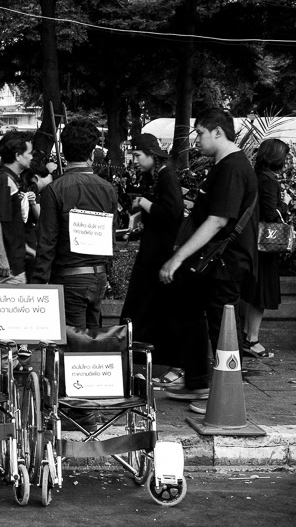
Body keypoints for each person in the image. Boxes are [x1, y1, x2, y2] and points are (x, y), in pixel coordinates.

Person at [160, 108, 258, 402]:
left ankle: (227, 399)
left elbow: (217, 220)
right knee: (190, 313)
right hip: (213, 262)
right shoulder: (224, 166)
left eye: (200, 133)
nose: (197, 140)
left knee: (221, 328)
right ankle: (198, 382)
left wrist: (177, 258)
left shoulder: (232, 167)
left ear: (218, 132)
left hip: (225, 263)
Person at [31, 119, 119, 329]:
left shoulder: (54, 190)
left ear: (63, 151)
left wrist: (38, 282)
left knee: (72, 340)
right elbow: (111, 236)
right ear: (92, 154)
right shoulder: (108, 189)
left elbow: (47, 241)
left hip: (69, 277)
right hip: (98, 275)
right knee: (93, 338)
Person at [119, 134, 184, 386]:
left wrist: (144, 203)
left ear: (151, 155)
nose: (134, 160)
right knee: (145, 304)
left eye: (137, 155)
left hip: (161, 254)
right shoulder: (158, 176)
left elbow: (172, 212)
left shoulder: (167, 177)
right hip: (154, 251)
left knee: (157, 306)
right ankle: (138, 354)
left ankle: (169, 360)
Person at [243, 138, 289, 359]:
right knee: (261, 293)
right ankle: (252, 339)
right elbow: (270, 213)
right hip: (266, 245)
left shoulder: (256, 175)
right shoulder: (269, 180)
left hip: (253, 241)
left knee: (254, 292)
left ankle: (247, 336)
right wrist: (285, 203)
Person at [0, 131, 34, 284]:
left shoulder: (10, 180)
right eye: (29, 153)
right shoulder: (3, 181)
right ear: (18, 156)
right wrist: (2, 257)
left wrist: (26, 249)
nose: (31, 157)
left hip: (15, 263)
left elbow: (10, 225)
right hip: (8, 270)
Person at [22, 159, 54, 282]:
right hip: (21, 243)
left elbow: (40, 217)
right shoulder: (16, 187)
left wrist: (33, 202)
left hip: (29, 240)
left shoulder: (34, 189)